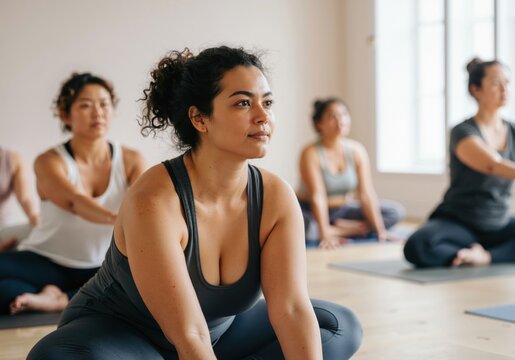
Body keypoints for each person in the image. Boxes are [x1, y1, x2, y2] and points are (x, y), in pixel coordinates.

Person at [28, 46, 362, 360]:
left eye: (268, 102)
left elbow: (290, 309)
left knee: (338, 325)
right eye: (243, 103)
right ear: (200, 119)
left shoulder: (276, 197)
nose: (263, 117)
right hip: (124, 336)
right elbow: (188, 334)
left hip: (219, 332)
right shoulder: (155, 199)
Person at [0, 72, 145, 314]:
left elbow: (148, 205)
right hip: (47, 260)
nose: (97, 112)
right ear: (66, 115)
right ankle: (56, 294)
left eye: (104, 104)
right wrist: (122, 219)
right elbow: (75, 203)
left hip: (103, 265)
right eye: (86, 105)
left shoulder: (131, 160)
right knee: (6, 289)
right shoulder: (48, 161)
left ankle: (57, 299)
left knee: (138, 286)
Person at [404, 58, 515, 268]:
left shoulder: (513, 130)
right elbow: (492, 165)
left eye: (507, 83)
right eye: (495, 83)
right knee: (418, 246)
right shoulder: (463, 131)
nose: (504, 89)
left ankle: (484, 257)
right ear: (476, 90)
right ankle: (470, 252)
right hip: (459, 222)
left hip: (499, 223)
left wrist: (486, 258)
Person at [297, 98, 405, 249]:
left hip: (343, 209)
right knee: (300, 227)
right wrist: (325, 234)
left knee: (395, 212)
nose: (340, 120)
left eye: (343, 115)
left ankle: (341, 228)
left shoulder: (356, 151)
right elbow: (318, 196)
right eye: (332, 116)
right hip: (312, 209)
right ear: (319, 124)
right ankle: (339, 229)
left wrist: (380, 231)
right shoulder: (311, 153)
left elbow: (366, 194)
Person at [0, 147, 40, 250]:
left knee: (37, 232)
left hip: (2, 228)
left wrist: (35, 219)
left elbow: (24, 198)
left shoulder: (13, 158)